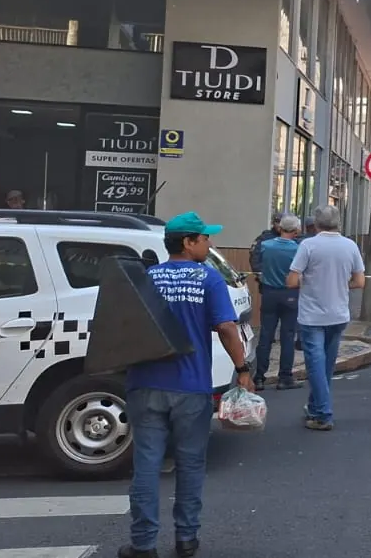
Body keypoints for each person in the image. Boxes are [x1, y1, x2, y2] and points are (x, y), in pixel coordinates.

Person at [120, 212, 252, 558]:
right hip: (191, 385)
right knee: (191, 464)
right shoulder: (208, 280)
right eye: (204, 238)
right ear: (188, 243)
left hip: (145, 383)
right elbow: (226, 327)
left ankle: (143, 544)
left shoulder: (147, 278)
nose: (209, 243)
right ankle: (186, 539)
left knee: (146, 465)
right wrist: (242, 368)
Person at [287, 205, 366, 432]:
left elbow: (292, 281)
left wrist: (310, 283)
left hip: (313, 316)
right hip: (339, 314)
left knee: (315, 365)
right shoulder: (350, 246)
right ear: (338, 222)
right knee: (326, 365)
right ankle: (314, 407)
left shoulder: (309, 245)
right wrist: (342, 284)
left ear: (316, 224)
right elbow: (359, 282)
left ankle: (323, 413)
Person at [253, 215, 303, 391]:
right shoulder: (298, 249)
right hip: (290, 293)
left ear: (280, 227)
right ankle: (285, 377)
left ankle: (259, 377)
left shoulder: (266, 246)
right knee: (288, 336)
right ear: (296, 230)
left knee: (266, 335)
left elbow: (258, 264)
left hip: (269, 293)